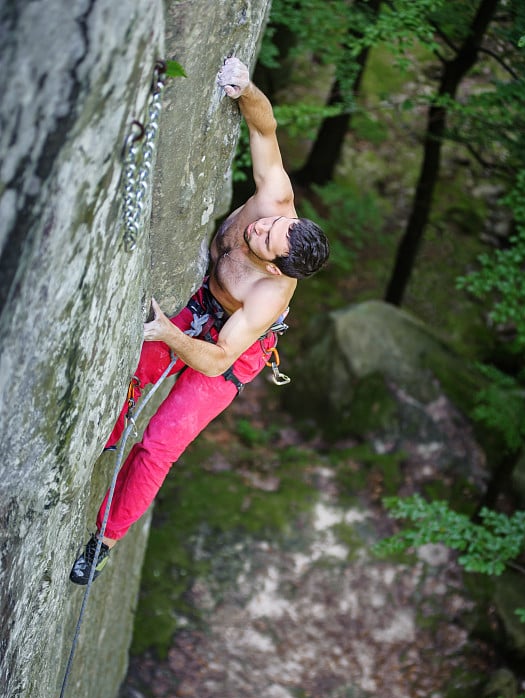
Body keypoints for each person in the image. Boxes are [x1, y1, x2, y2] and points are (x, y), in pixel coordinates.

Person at [70, 57, 330, 585]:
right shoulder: (275, 200)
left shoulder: (269, 295)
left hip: (232, 352)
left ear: (278, 267)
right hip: (205, 305)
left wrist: (169, 331)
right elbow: (264, 125)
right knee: (134, 370)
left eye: (268, 241)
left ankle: (106, 537)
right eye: (274, 225)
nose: (260, 228)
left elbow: (215, 360)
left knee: (162, 443)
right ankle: (108, 434)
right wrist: (245, 87)